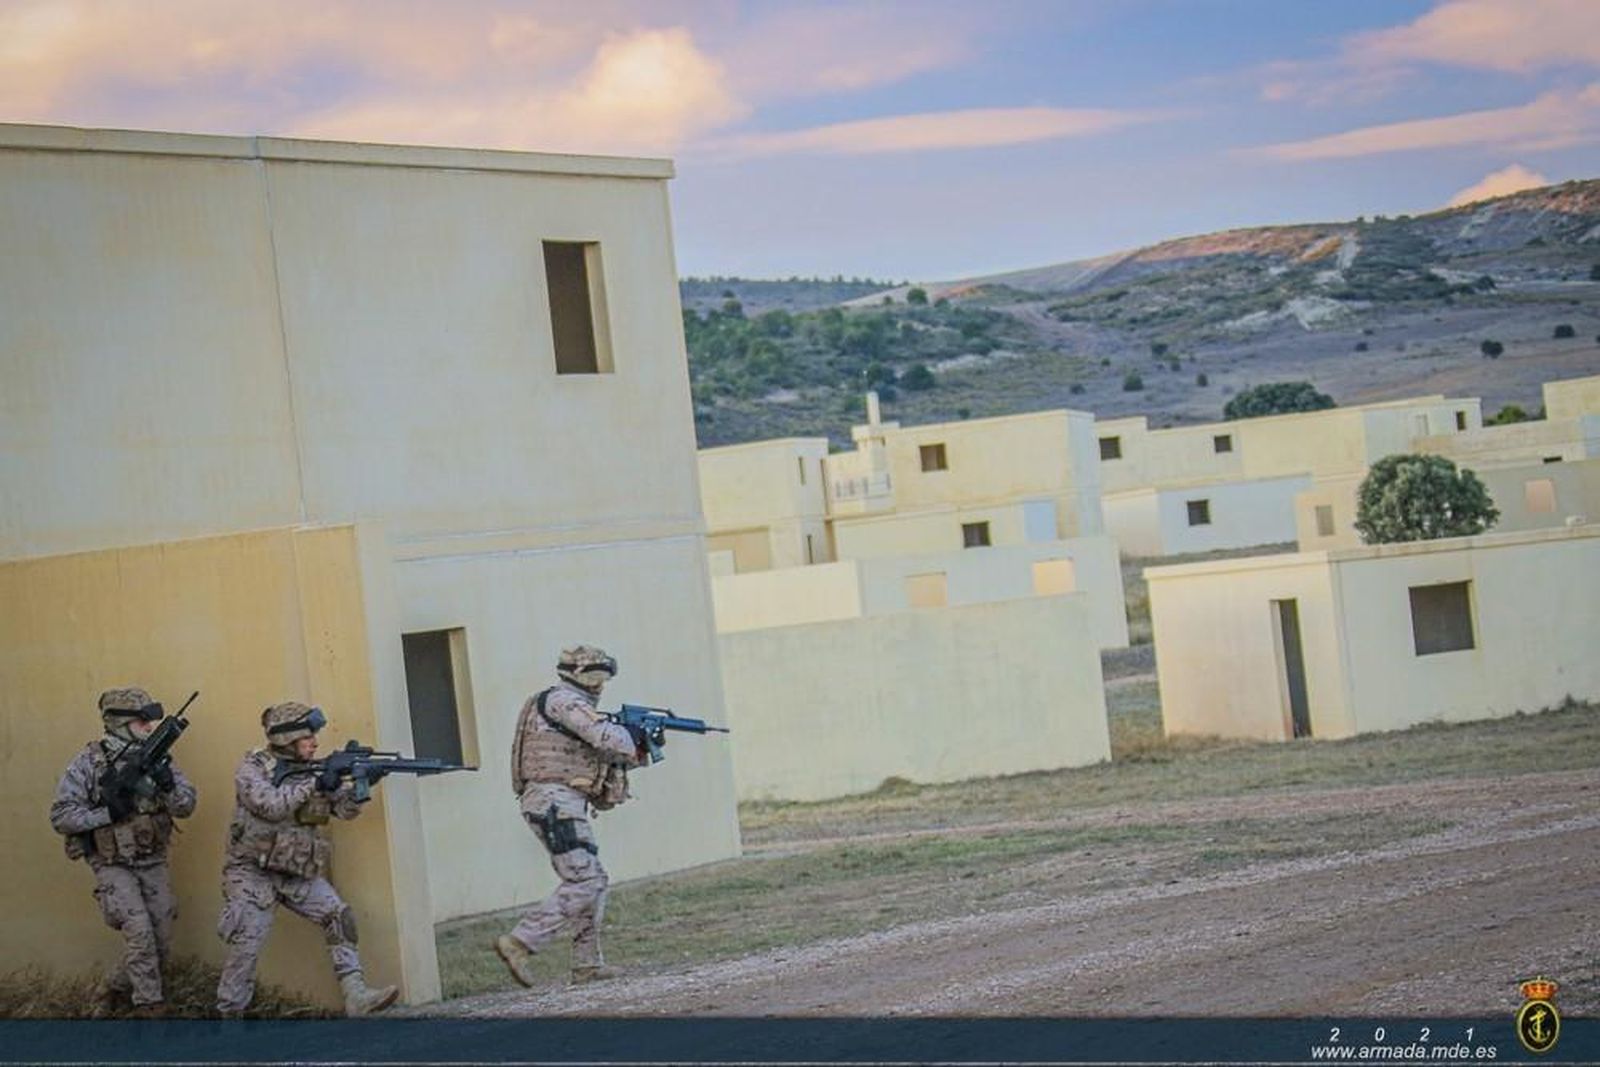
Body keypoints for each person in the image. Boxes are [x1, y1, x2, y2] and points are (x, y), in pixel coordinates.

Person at [215, 701, 398, 1017]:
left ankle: (356, 995)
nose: (315, 742)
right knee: (247, 944)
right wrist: (315, 783)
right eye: (307, 737)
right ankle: (230, 1018)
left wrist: (362, 785)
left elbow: (343, 810)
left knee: (338, 916)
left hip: (295, 870)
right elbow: (269, 805)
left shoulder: (318, 769)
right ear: (288, 739)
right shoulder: (253, 768)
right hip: (252, 872)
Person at [496, 645, 647, 987]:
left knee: (594, 879)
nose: (602, 684)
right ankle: (520, 941)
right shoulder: (563, 701)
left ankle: (587, 964)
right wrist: (635, 735)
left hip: (560, 802)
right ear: (580, 675)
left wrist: (638, 746)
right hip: (553, 802)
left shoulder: (566, 703)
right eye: (598, 676)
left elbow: (610, 749)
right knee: (587, 881)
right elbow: (605, 736)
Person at [50, 688, 198, 1016]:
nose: (149, 727)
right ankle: (150, 1007)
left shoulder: (158, 759)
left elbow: (186, 807)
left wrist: (168, 784)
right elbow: (61, 816)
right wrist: (107, 814)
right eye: (142, 720)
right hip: (111, 862)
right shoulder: (89, 761)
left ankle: (115, 987)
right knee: (140, 933)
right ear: (119, 723)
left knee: (160, 935)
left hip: (152, 858)